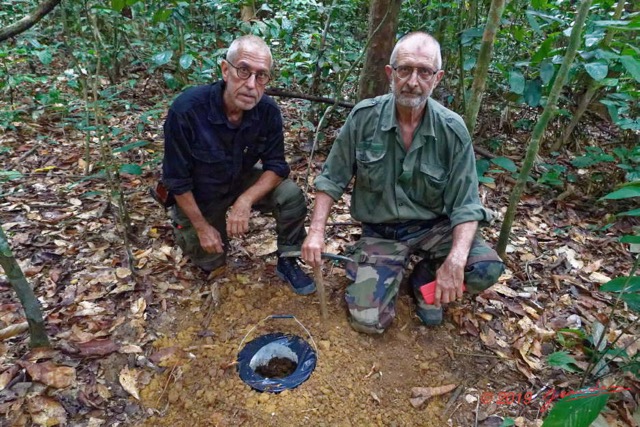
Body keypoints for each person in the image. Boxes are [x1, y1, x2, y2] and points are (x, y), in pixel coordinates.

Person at [301, 32, 504, 333]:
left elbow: (466, 204)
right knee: (368, 321)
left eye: (424, 72)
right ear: (390, 74)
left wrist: (456, 260)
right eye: (405, 70)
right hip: (382, 231)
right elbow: (332, 178)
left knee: (484, 267)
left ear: (437, 78)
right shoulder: (364, 118)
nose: (413, 81)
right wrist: (316, 232)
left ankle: (425, 278)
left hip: (434, 228)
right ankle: (380, 266)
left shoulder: (451, 129)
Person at [162, 35, 315, 296]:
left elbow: (277, 166)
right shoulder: (187, 110)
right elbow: (176, 181)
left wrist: (244, 201)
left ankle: (288, 259)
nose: (251, 85)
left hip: (238, 180)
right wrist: (202, 227)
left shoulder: (267, 111)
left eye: (261, 76)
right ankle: (191, 229)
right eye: (244, 71)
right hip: (200, 194)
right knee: (212, 261)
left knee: (290, 195)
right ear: (225, 70)